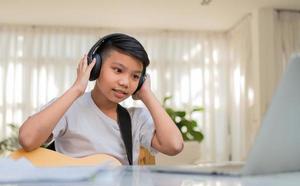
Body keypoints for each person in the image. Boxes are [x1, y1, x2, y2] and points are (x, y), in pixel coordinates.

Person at [18, 33, 183, 165]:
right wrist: (77, 89)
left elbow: (174, 146)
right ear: (95, 67)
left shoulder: (136, 119)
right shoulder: (69, 107)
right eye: (118, 70)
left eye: (135, 76)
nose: (125, 82)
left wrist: (147, 95)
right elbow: (28, 139)